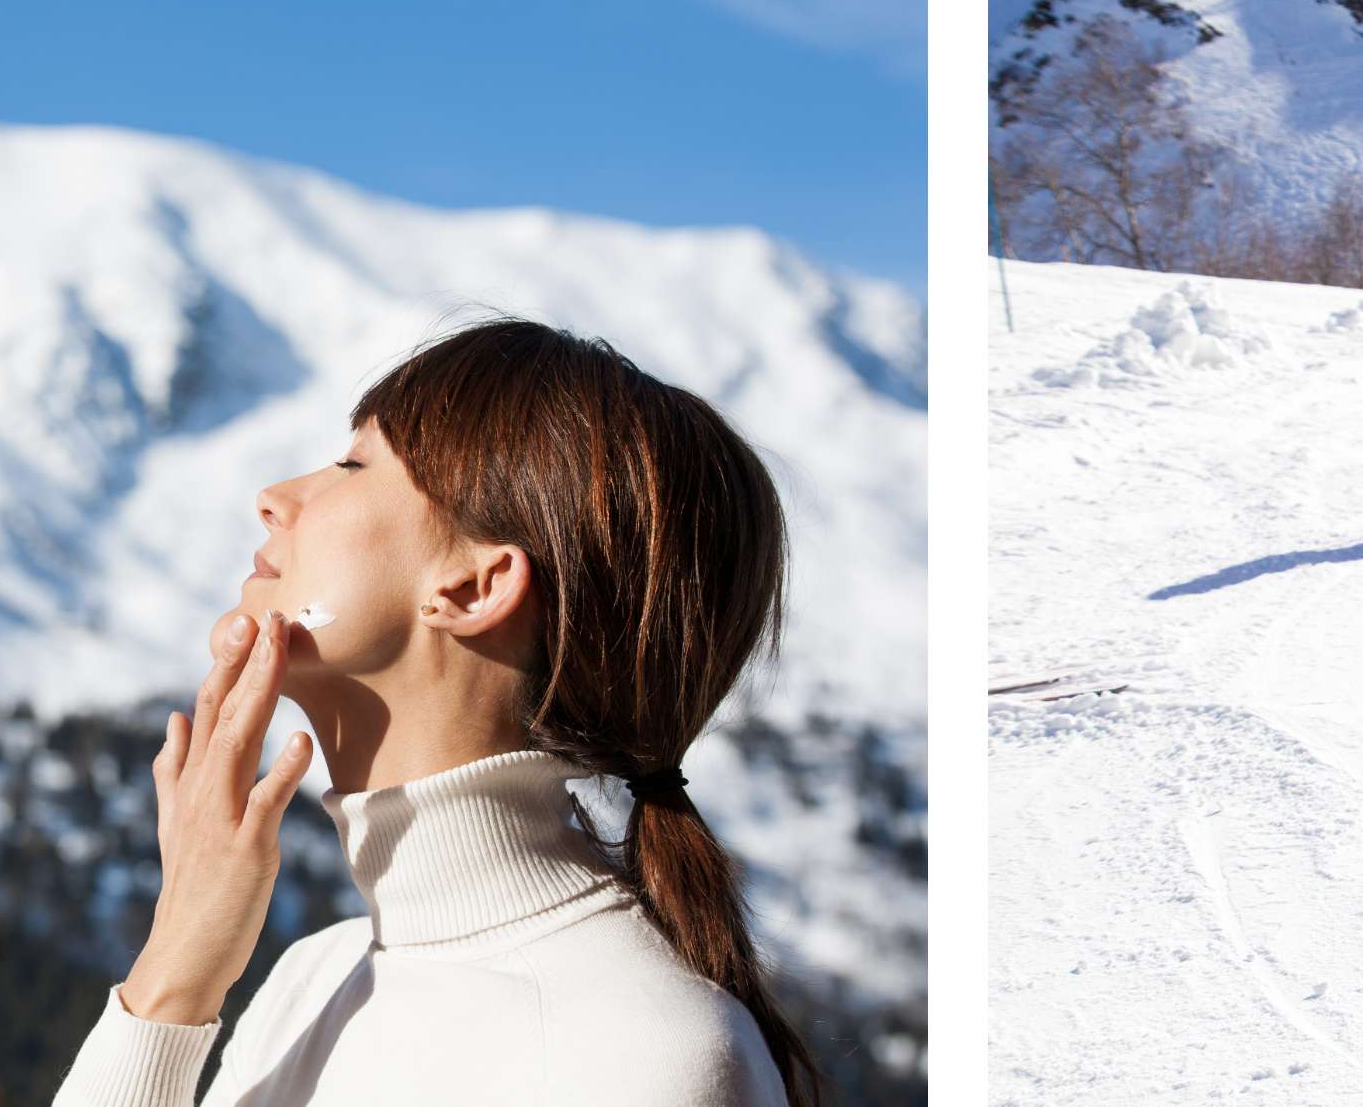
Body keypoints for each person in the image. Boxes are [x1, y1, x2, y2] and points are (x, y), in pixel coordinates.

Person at [55, 320, 820, 1106]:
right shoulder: (311, 979)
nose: (275, 499)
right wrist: (173, 975)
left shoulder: (644, 1059)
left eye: (354, 465)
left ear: (474, 587)